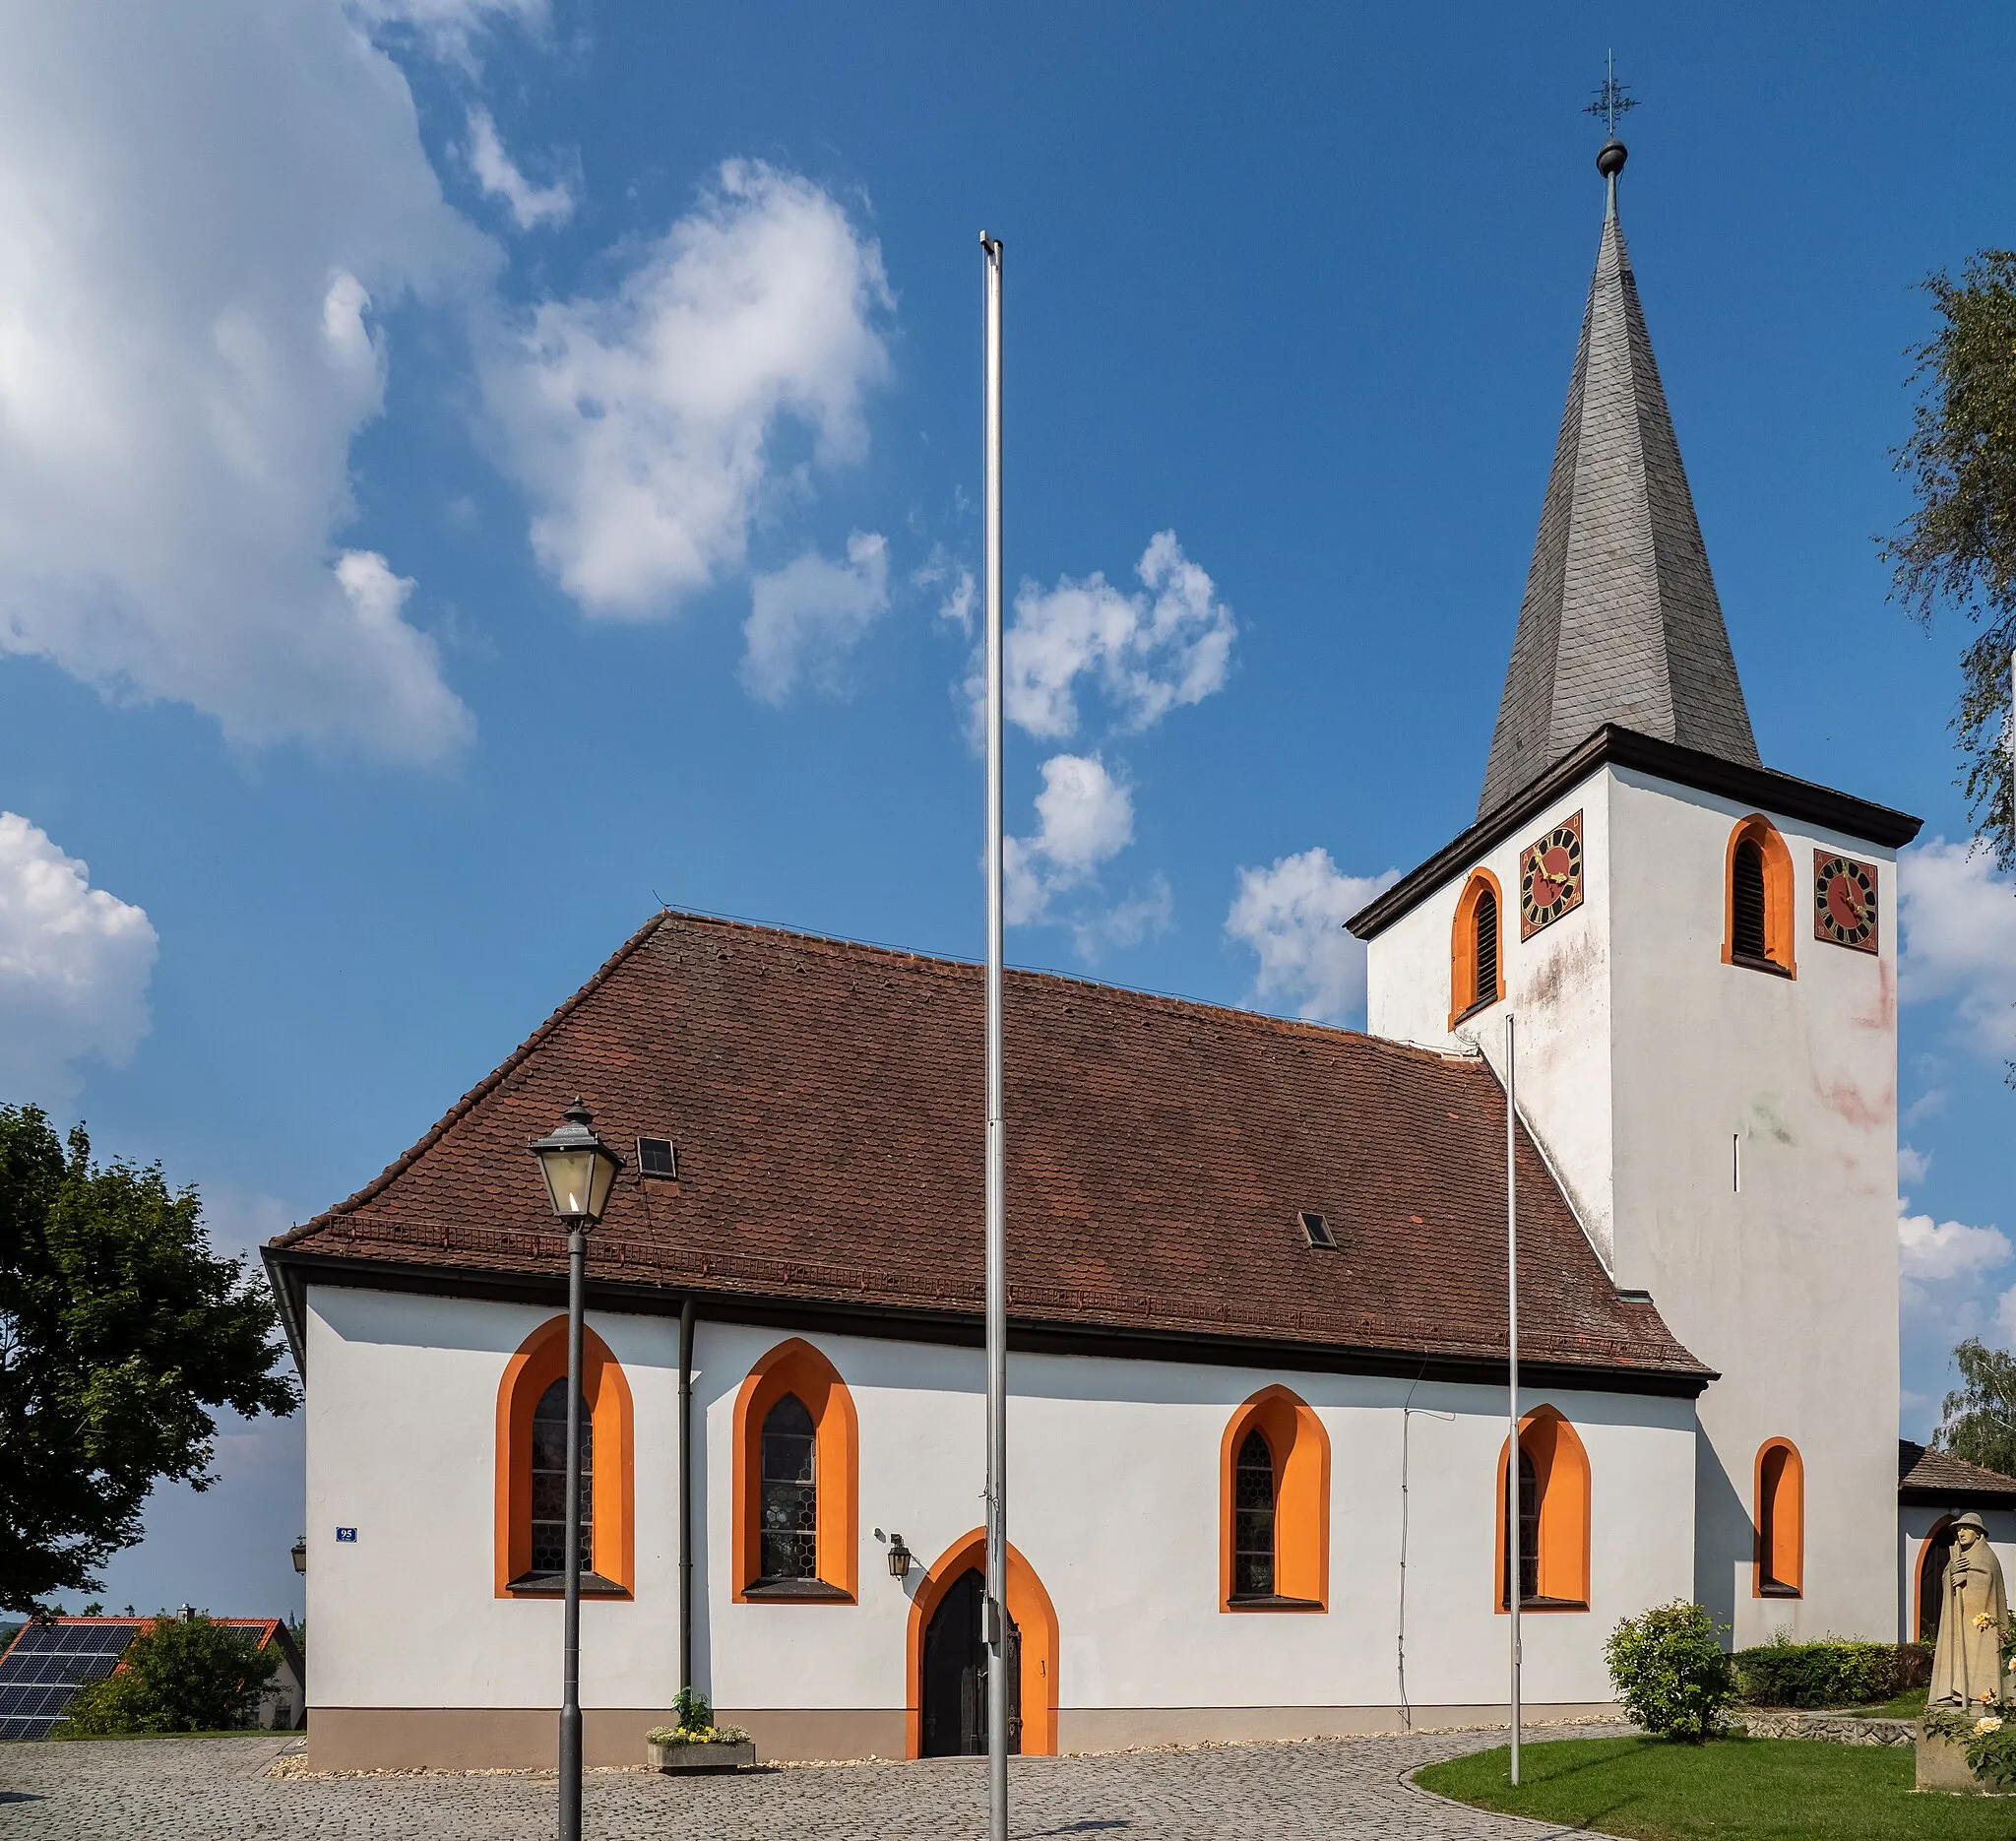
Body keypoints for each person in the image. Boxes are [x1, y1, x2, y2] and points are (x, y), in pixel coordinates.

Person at [1930, 1513, 2010, 1708]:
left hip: (1979, 1624)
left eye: (1966, 1528)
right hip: (1959, 1619)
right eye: (1958, 1529)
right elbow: (1947, 1578)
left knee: (1977, 1654)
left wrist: (1968, 1578)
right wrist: (1951, 1573)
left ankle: (1978, 1695)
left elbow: (1988, 1580)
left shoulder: (1986, 1556)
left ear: (1978, 1533)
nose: (1961, 1532)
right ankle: (1952, 1694)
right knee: (1954, 1651)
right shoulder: (1958, 1556)